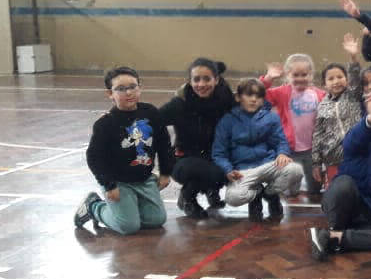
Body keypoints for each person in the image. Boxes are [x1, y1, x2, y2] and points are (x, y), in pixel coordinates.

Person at [74, 66, 174, 235]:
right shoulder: (105, 124)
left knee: (156, 220)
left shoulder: (151, 113)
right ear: (110, 93)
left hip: (144, 179)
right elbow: (94, 158)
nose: (128, 93)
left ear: (140, 87)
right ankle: (94, 207)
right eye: (121, 89)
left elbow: (164, 143)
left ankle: (130, 208)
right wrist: (109, 185)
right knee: (128, 226)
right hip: (118, 182)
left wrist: (165, 172)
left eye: (132, 87)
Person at [310, 96, 371, 259]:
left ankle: (332, 238)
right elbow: (353, 141)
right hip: (345, 203)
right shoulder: (364, 140)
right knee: (344, 183)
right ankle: (336, 229)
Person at [212, 78, 304, 221]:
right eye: (249, 95)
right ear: (238, 97)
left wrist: (282, 153)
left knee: (295, 170)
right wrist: (228, 170)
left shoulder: (272, 118)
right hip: (243, 171)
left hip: (268, 165)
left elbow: (280, 141)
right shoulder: (227, 121)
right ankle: (256, 194)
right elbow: (219, 153)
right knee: (233, 198)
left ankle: (270, 194)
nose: (254, 99)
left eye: (259, 96)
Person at [159, 57, 234, 219]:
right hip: (184, 159)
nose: (201, 84)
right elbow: (153, 120)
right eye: (196, 79)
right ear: (189, 81)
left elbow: (252, 104)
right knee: (216, 172)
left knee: (232, 166)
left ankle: (211, 189)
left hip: (215, 156)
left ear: (216, 80)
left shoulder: (226, 101)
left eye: (207, 79)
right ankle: (187, 198)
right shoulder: (180, 104)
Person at [260, 54, 327, 196]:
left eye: (304, 75)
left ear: (311, 75)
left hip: (312, 150)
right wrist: (268, 78)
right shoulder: (283, 92)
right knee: (291, 191)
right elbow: (259, 94)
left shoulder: (319, 94)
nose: (300, 78)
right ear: (287, 75)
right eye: (295, 75)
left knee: (315, 188)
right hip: (289, 149)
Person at [311, 34, 365, 187]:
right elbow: (318, 135)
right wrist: (316, 162)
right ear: (324, 84)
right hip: (333, 160)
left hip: (356, 155)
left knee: (357, 189)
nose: (336, 81)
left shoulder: (353, 95)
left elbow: (356, 77)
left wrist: (353, 57)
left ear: (346, 79)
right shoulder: (322, 106)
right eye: (331, 79)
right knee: (336, 191)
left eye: (340, 77)